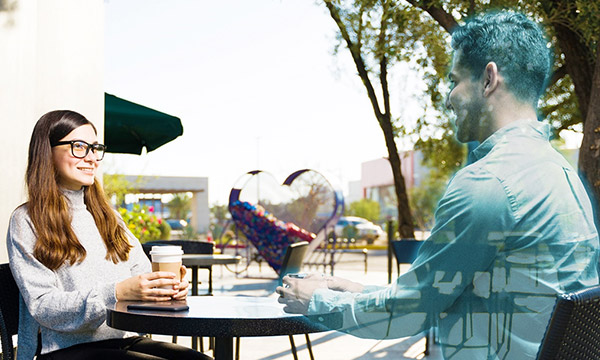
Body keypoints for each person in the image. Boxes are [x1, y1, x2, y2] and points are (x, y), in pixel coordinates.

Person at [277, 11, 599, 359]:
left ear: (489, 79)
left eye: (454, 80)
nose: (448, 97)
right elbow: (434, 292)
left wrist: (316, 300)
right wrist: (352, 290)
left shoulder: (487, 183)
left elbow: (408, 314)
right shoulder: (562, 176)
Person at [6, 110, 211, 360]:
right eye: (79, 147)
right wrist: (116, 292)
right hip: (63, 348)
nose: (92, 158)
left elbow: (142, 275)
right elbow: (43, 306)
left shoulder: (108, 216)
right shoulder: (26, 220)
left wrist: (164, 289)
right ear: (47, 151)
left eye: (95, 148)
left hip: (123, 338)